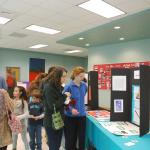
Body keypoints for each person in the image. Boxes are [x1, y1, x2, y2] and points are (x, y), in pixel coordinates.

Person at [43, 66, 71, 150]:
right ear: (57, 76)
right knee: (53, 146)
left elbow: (59, 103)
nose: (64, 79)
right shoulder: (49, 88)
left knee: (57, 145)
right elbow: (53, 106)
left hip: (59, 120)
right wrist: (64, 96)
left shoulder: (59, 87)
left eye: (65, 76)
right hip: (51, 122)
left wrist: (66, 102)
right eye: (63, 76)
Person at [63, 66, 87, 150]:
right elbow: (65, 101)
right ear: (75, 75)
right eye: (80, 76)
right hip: (70, 117)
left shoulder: (84, 85)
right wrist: (71, 109)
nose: (82, 78)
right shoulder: (68, 86)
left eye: (83, 76)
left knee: (82, 139)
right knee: (70, 139)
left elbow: (82, 97)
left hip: (82, 116)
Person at [12, 86, 29, 150]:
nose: (14, 92)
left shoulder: (24, 102)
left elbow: (27, 114)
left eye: (16, 91)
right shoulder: (12, 101)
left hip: (22, 123)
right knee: (14, 138)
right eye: (14, 90)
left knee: (24, 138)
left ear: (20, 93)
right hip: (14, 123)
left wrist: (18, 117)